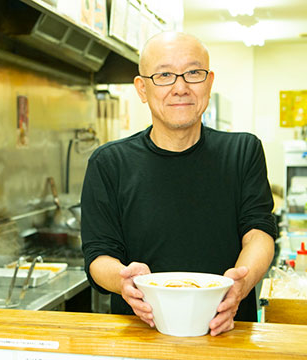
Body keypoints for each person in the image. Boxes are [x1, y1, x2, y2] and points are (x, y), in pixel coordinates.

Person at [80, 32, 277, 336]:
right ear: (142, 88)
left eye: (193, 73)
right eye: (165, 75)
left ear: (209, 83)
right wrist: (122, 279)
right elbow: (99, 254)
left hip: (228, 332)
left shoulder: (243, 151)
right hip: (142, 335)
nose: (180, 87)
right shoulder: (109, 163)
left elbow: (259, 233)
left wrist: (241, 284)